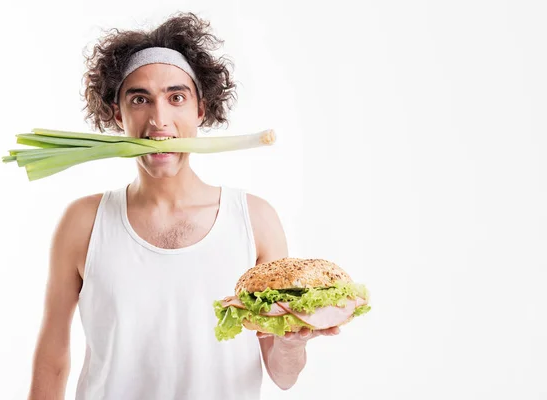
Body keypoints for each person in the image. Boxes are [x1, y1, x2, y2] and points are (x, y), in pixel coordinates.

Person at [27, 12, 340, 400]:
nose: (160, 121)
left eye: (176, 98)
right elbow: (52, 358)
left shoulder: (255, 220)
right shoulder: (84, 222)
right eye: (140, 99)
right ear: (116, 113)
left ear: (200, 110)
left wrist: (293, 344)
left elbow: (282, 374)